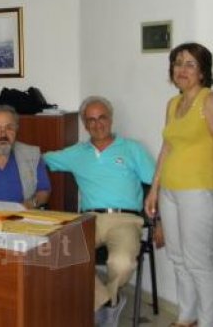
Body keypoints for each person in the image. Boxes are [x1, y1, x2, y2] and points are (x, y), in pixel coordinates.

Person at [44, 96, 154, 327]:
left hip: (125, 219)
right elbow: (41, 160)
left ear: (111, 119)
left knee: (121, 263)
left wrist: (160, 222)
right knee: (61, 253)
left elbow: (157, 183)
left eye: (102, 117)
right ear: (85, 124)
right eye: (91, 120)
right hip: (89, 219)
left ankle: (105, 302)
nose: (97, 124)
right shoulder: (76, 153)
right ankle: (108, 302)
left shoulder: (132, 148)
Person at [143, 42, 213, 327]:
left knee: (198, 262)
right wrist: (154, 189)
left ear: (202, 71)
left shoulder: (209, 100)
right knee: (178, 258)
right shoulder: (172, 104)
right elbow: (167, 147)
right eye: (178, 63)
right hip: (170, 191)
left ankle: (210, 322)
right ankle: (187, 317)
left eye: (190, 64)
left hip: (199, 191)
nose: (182, 69)